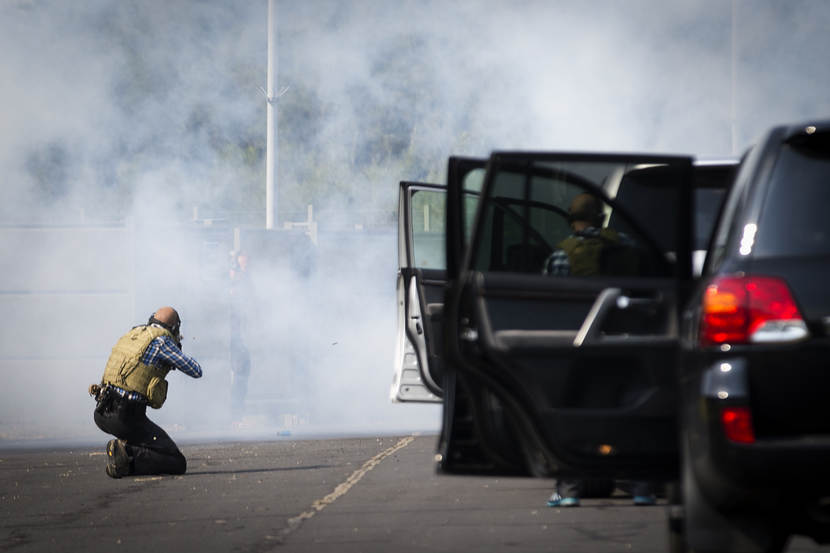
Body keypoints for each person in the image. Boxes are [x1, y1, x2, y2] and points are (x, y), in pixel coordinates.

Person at [543, 192, 656, 507]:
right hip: (626, 344)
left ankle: (568, 491)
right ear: (600, 218)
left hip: (581, 348)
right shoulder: (628, 247)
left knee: (574, 417)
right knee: (628, 415)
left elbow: (547, 300)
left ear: (572, 219)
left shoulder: (562, 255)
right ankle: (642, 487)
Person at [89, 306, 202, 478]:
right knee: (177, 461)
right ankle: (126, 454)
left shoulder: (133, 334)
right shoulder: (162, 342)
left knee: (148, 440)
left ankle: (123, 455)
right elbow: (196, 370)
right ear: (173, 327)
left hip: (102, 411)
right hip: (126, 417)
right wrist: (176, 347)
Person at [229, 251, 253, 418]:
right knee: (239, 372)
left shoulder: (249, 285)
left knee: (243, 372)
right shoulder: (231, 286)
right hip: (233, 337)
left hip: (245, 335)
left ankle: (238, 410)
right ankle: (235, 411)